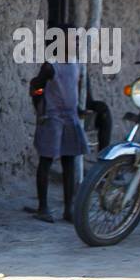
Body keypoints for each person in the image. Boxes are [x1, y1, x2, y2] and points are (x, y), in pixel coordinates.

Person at [27, 53, 88, 223]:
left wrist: (79, 108)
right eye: (71, 40)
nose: (75, 44)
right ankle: (43, 207)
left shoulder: (76, 63)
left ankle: (69, 209)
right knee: (46, 161)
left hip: (70, 117)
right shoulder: (51, 66)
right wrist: (40, 107)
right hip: (52, 118)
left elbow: (75, 88)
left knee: (69, 162)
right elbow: (35, 86)